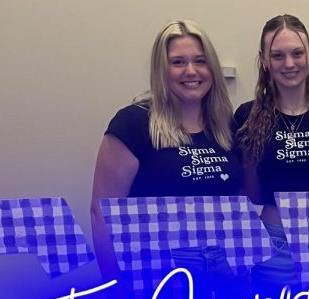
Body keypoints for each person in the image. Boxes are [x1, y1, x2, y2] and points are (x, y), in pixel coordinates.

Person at [90, 19, 240, 277]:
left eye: (200, 61)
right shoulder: (133, 123)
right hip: (157, 269)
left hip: (222, 268)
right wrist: (115, 284)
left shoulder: (226, 126)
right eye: (178, 62)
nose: (191, 71)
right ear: (162, 70)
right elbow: (102, 214)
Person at [235, 13, 309, 264]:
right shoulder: (247, 116)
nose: (289, 64)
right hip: (272, 242)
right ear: (264, 60)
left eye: (297, 53)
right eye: (278, 55)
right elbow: (252, 192)